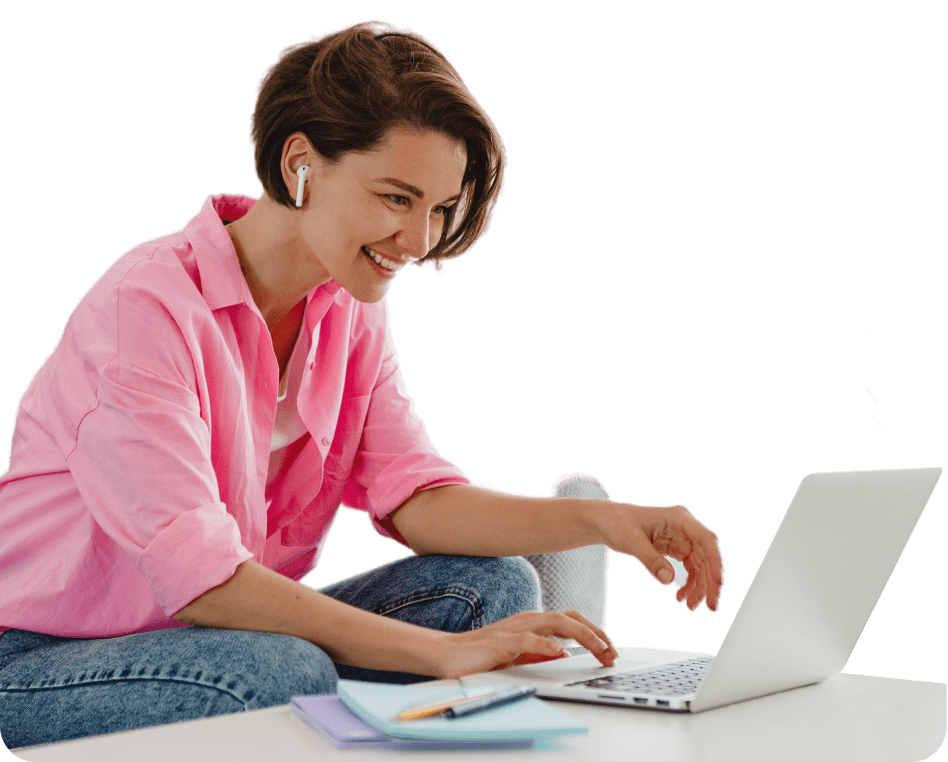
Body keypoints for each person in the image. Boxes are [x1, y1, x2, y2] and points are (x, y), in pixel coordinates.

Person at [0, 19, 724, 749]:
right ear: (300, 166)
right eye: (395, 198)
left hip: (219, 631)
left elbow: (416, 498)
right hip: (44, 659)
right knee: (280, 671)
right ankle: (379, 709)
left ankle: (408, 721)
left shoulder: (348, 304)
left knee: (495, 589)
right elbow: (206, 579)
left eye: (439, 210)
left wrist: (606, 524)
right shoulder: (145, 310)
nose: (418, 244)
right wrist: (442, 654)